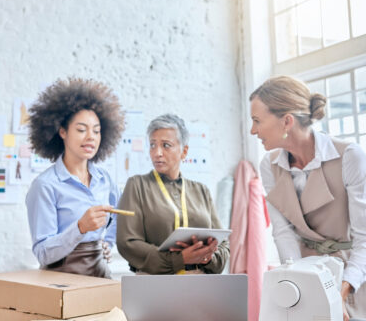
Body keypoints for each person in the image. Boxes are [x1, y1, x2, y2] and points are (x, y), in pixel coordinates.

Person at [250, 75, 366, 320]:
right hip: (303, 277)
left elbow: (364, 239)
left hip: (353, 276)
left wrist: (341, 292)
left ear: (287, 121)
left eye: (257, 120)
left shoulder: (349, 156)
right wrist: (298, 280)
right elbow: (283, 232)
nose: (253, 130)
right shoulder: (268, 165)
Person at [25, 78, 125, 278]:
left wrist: (105, 244)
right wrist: (80, 228)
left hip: (100, 274)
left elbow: (118, 217)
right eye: (81, 130)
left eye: (96, 131)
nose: (91, 137)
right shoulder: (46, 185)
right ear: (62, 132)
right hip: (61, 279)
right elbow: (43, 254)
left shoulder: (105, 180)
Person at [117, 114, 229, 274]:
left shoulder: (201, 190)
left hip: (200, 283)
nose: (157, 153)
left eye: (166, 145)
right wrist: (178, 260)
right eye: (152, 145)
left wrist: (208, 256)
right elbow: (127, 243)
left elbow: (223, 243)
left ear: (184, 151)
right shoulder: (137, 185)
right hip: (155, 283)